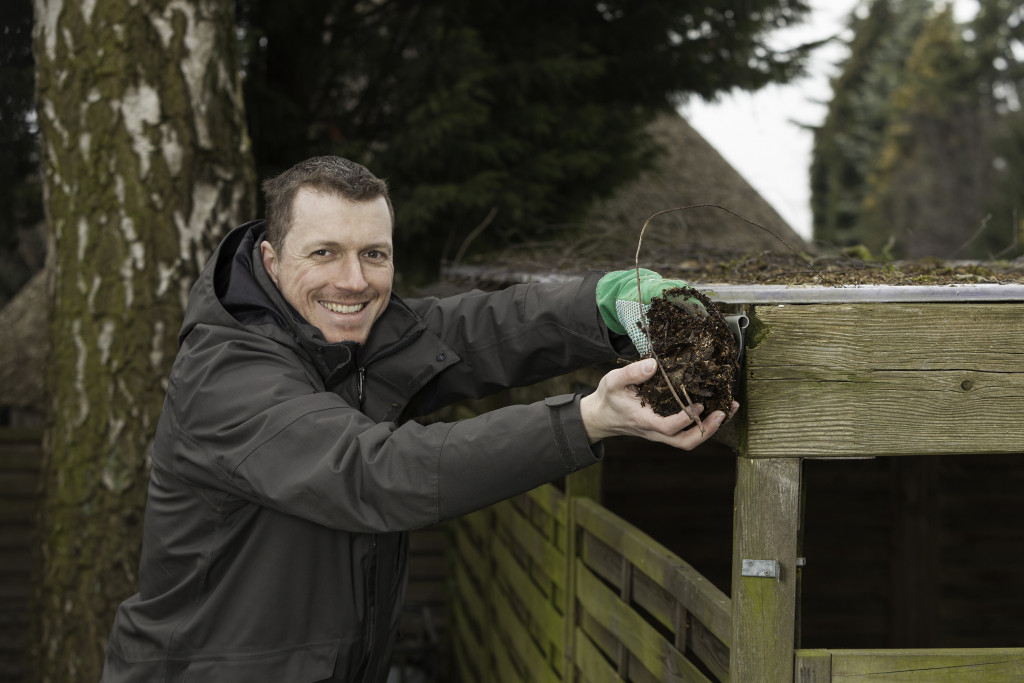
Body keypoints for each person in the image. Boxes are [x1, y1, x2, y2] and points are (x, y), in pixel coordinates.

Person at [100, 156, 736, 682]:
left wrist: (611, 300)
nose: (354, 281)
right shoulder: (228, 376)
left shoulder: (348, 339)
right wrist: (587, 420)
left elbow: (487, 328)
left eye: (374, 255)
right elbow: (375, 475)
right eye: (324, 252)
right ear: (271, 261)